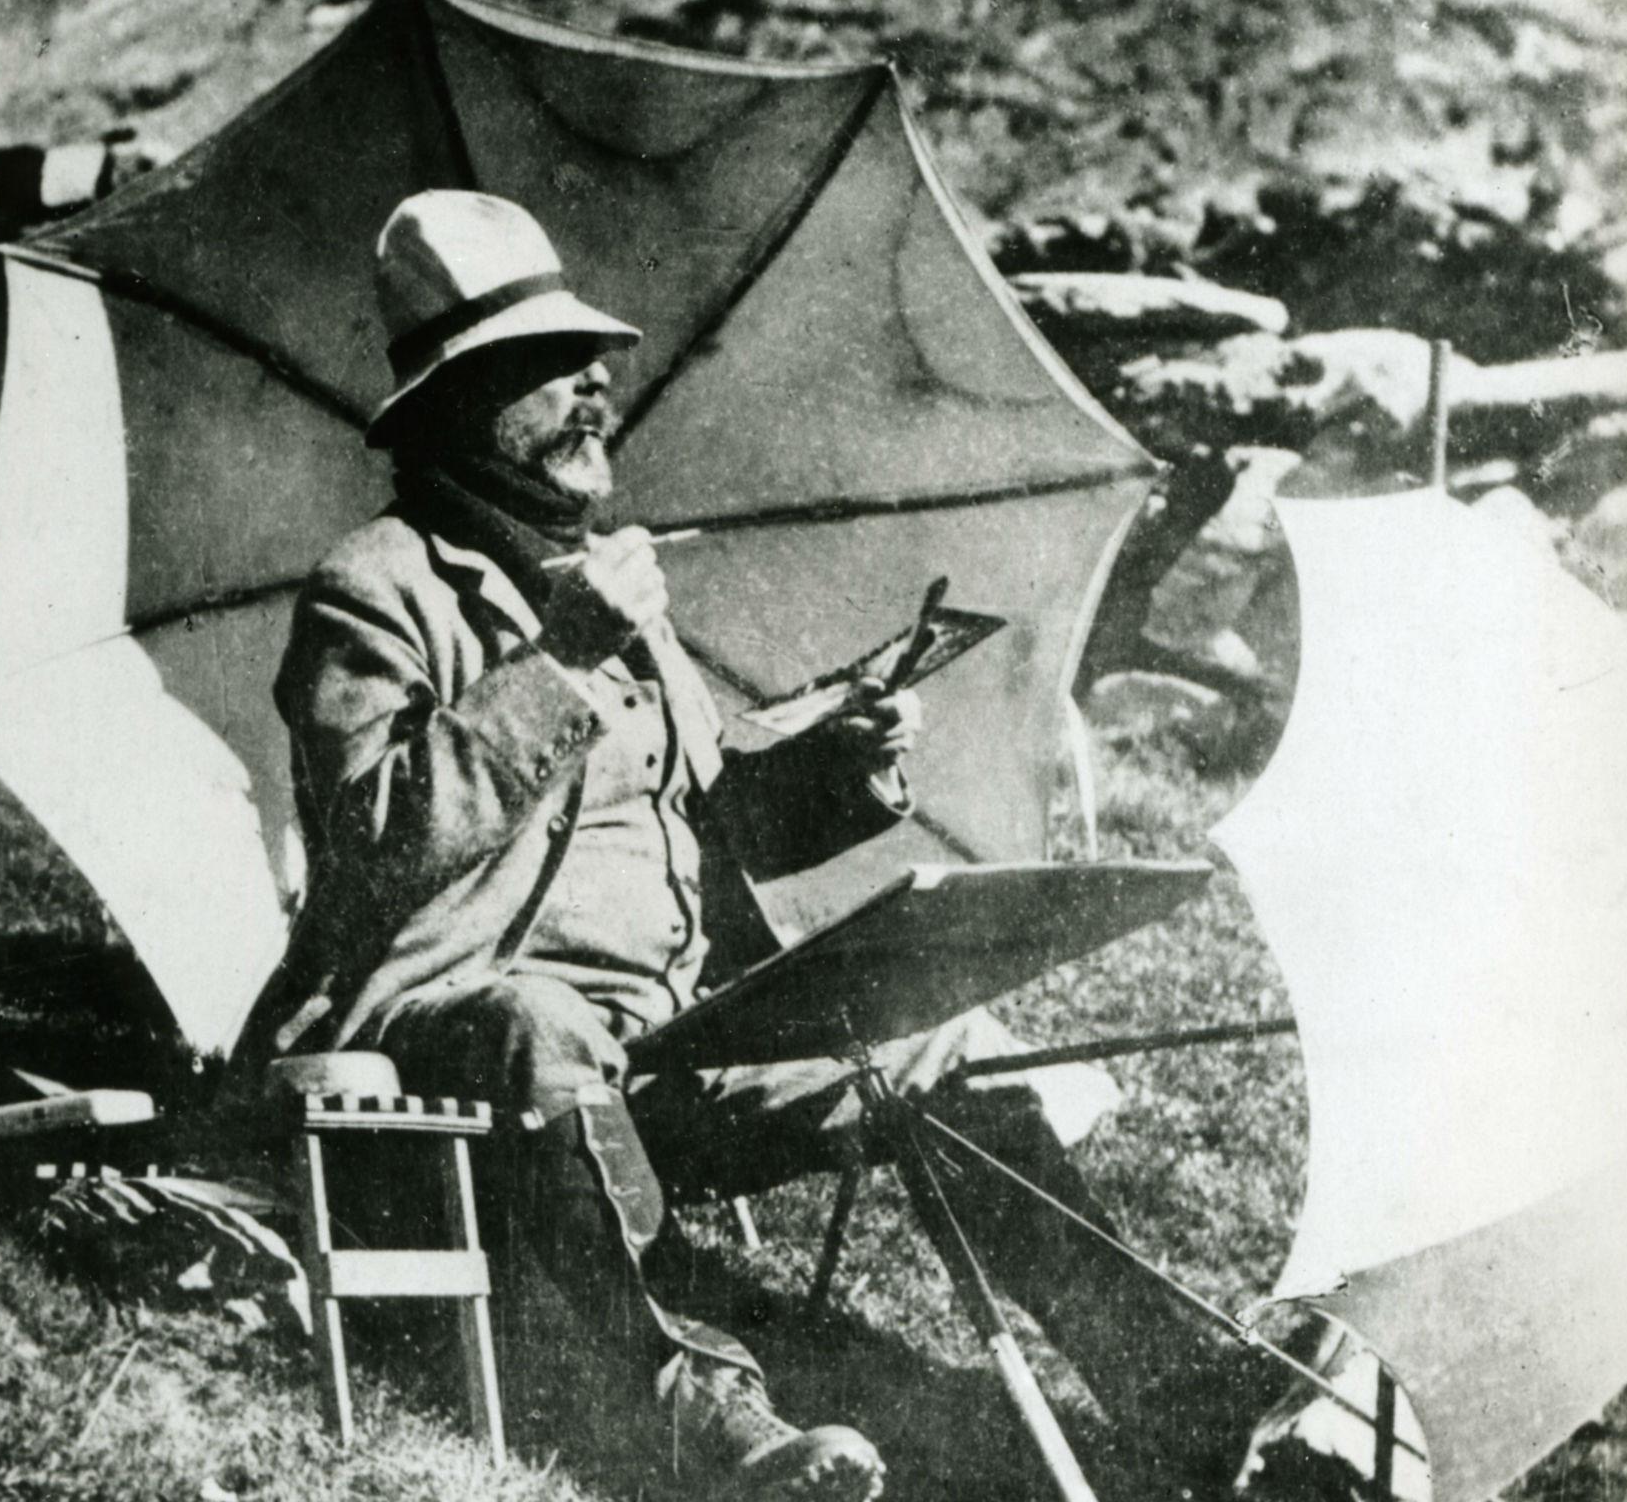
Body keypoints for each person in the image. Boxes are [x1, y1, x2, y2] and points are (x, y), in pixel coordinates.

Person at [243, 190, 1278, 1501]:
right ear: (450, 408)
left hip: (671, 1043)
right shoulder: (376, 590)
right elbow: (368, 847)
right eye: (541, 370)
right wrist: (558, 663)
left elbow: (698, 812)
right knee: (538, 1024)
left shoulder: (608, 584)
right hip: (466, 1038)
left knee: (948, 1043)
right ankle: (703, 1418)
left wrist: (839, 769)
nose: (591, 387)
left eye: (591, 362)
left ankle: (1172, 1390)